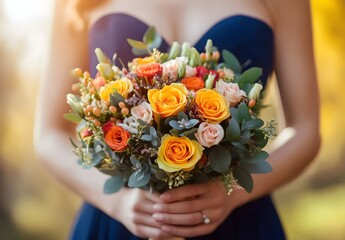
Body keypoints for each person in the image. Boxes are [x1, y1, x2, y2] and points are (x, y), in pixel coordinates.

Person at [34, 0, 321, 239]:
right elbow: (48, 135)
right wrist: (117, 201)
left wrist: (233, 193)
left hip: (238, 220)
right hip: (116, 221)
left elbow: (306, 131)